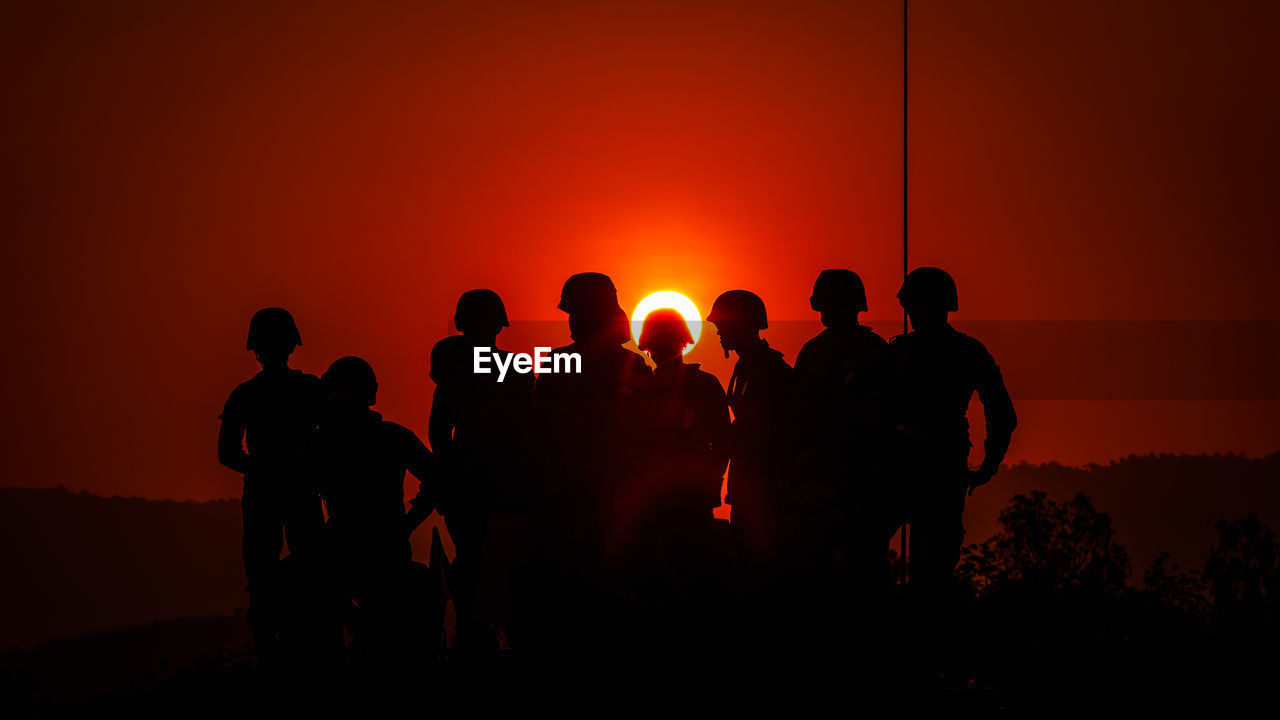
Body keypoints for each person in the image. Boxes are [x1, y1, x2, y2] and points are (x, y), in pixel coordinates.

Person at [525, 272, 652, 656]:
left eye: (574, 313)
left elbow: (538, 433)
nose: (570, 320)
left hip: (577, 497)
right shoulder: (630, 365)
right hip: (604, 497)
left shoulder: (559, 366)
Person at [888, 268, 1017, 593]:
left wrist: (990, 461)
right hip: (910, 465)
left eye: (917, 306)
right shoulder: (961, 351)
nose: (913, 313)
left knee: (934, 566)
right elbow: (1000, 410)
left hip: (929, 465)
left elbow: (1000, 410)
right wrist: (989, 461)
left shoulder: (901, 352)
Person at [311, 356, 437, 671]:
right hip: (386, 552)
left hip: (343, 553)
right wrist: (408, 523)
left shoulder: (320, 443)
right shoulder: (394, 437)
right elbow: (437, 479)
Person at [428, 289, 533, 656]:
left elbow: (439, 432)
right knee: (502, 562)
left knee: (472, 559)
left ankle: (476, 636)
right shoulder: (517, 370)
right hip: (504, 483)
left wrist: (445, 474)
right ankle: (494, 635)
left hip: (473, 483)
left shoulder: (454, 367)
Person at [218, 307, 324, 661]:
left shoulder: (246, 394)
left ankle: (279, 650)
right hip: (292, 490)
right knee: (302, 571)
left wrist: (262, 468)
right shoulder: (309, 389)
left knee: (272, 576)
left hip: (273, 491)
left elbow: (228, 453)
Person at [627, 308, 732, 650]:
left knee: (685, 576)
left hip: (686, 497)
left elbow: (722, 441)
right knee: (657, 577)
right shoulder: (639, 388)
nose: (660, 349)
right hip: (657, 498)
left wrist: (709, 481)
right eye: (657, 343)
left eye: (664, 342)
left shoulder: (701, 385)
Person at [793, 269, 894, 608]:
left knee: (863, 565)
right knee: (821, 564)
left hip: (864, 475)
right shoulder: (813, 352)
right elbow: (798, 416)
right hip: (823, 475)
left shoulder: (874, 352)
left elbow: (890, 415)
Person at [705, 290, 795, 613]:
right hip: (747, 487)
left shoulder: (770, 371)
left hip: (766, 491)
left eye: (723, 326)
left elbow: (776, 435)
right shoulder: (747, 367)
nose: (718, 333)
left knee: (762, 575)